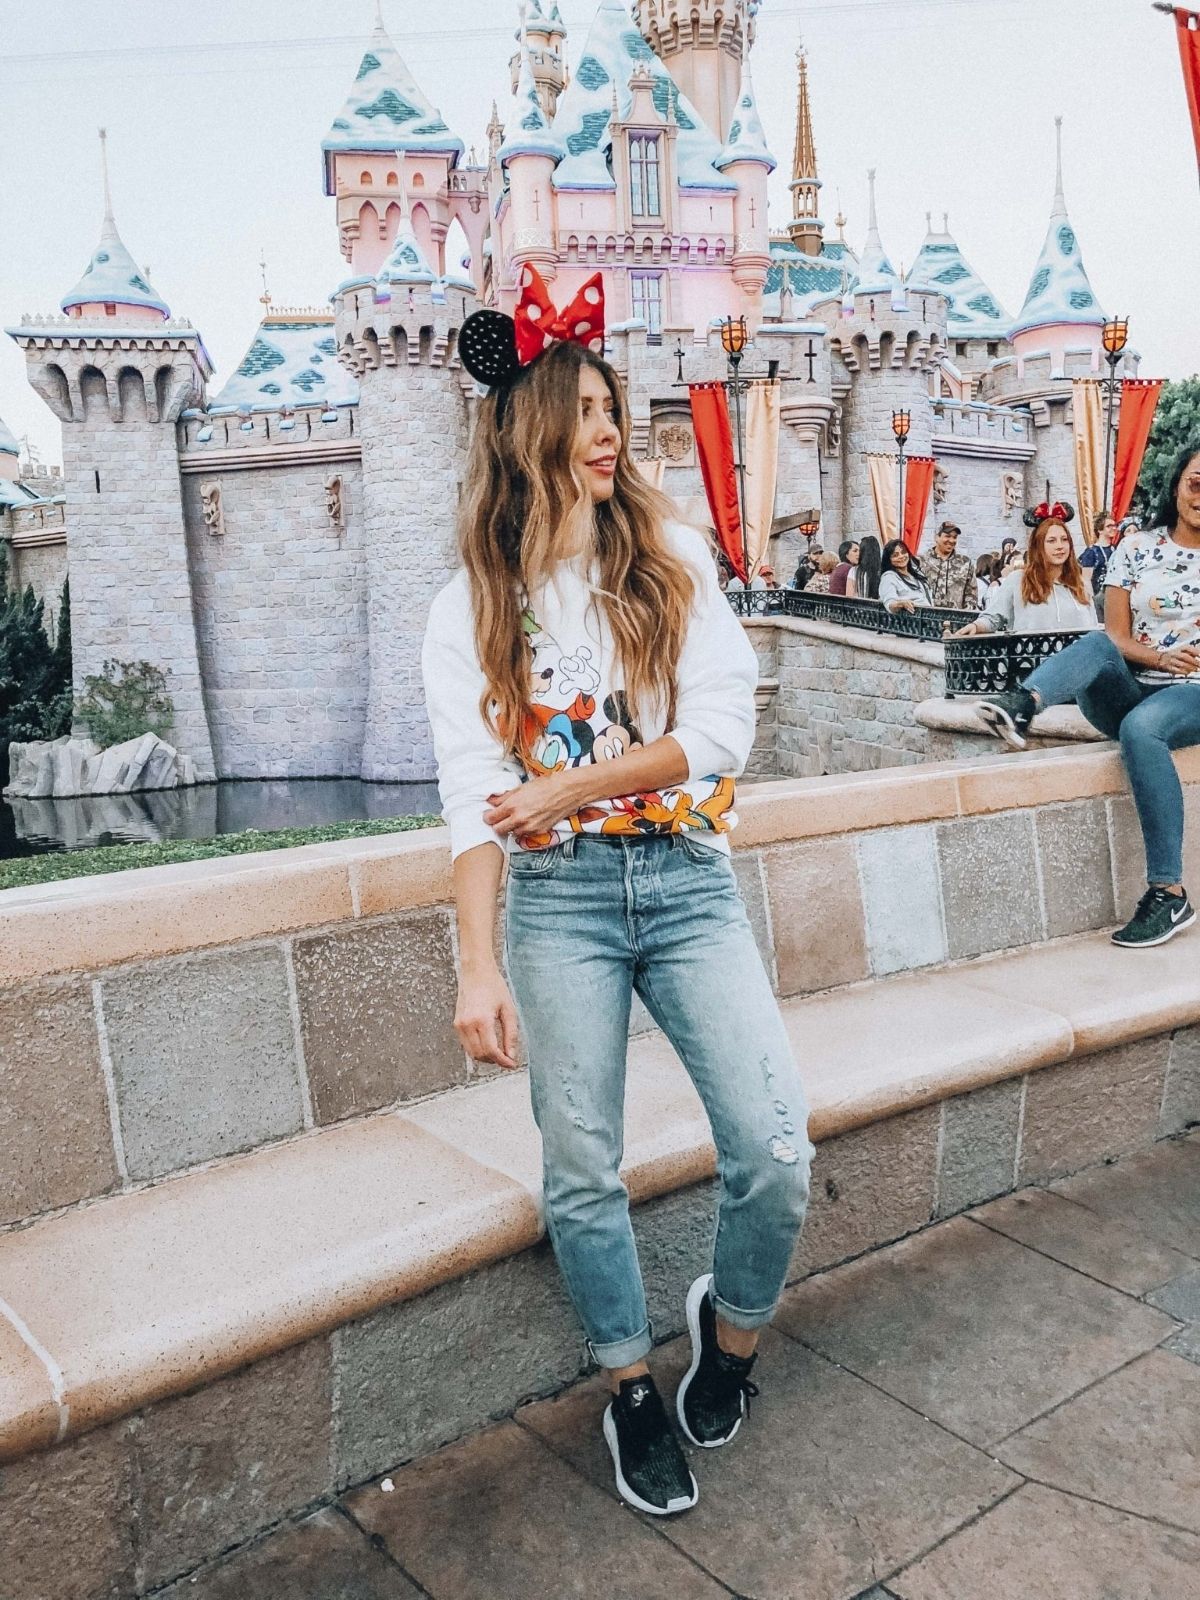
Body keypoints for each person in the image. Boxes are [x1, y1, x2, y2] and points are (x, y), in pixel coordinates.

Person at [421, 294, 813, 1519]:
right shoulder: (469, 610)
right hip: (561, 902)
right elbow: (473, 807)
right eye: (583, 411)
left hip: (687, 881)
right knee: (582, 1161)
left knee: (778, 1147)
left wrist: (577, 781)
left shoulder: (673, 558)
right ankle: (628, 1382)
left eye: (611, 409)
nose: (610, 430)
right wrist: (476, 968)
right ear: (528, 429)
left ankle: (729, 1338)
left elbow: (720, 733)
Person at [976, 452, 1200, 947]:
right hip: (1138, 684)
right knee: (1096, 645)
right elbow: (1116, 636)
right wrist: (1159, 660)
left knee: (1144, 730)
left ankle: (1169, 892)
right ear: (1177, 487)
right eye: (1195, 483)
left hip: (1194, 694)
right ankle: (1023, 704)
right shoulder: (1137, 548)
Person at [952, 506, 1096, 638]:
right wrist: (975, 626)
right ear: (1038, 546)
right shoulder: (1018, 580)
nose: (1060, 546)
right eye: (1051, 541)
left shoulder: (1081, 583)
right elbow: (993, 617)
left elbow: (1093, 628)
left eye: (1064, 540)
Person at [922, 521, 979, 609]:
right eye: (947, 536)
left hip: (955, 618)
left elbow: (971, 594)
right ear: (937, 537)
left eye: (955, 537)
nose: (951, 540)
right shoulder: (922, 561)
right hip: (927, 618)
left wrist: (966, 616)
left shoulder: (965, 563)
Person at [1081, 510, 1118, 620]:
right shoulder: (1091, 552)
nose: (1113, 528)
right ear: (1100, 530)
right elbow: (1086, 579)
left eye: (1114, 525)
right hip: (1098, 597)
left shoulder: (1116, 549)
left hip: (1115, 597)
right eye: (1109, 526)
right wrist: (1091, 600)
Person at [877, 539, 932, 612]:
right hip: (910, 620)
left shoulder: (916, 573)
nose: (901, 556)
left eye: (903, 552)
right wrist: (901, 604)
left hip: (929, 617)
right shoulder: (888, 577)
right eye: (895, 555)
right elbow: (890, 604)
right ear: (889, 560)